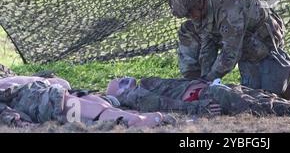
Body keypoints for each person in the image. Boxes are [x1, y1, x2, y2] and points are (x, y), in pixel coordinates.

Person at [168, 0, 290, 97]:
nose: (190, 17)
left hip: (260, 39)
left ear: (201, 1)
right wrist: (202, 79)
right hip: (232, 35)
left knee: (262, 95)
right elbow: (208, 42)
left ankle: (283, 75)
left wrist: (210, 78)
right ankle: (192, 79)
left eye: (190, 13)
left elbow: (231, 52)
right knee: (187, 30)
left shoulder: (230, 6)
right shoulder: (201, 8)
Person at [107, 76, 290, 118]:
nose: (123, 78)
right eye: (119, 82)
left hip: (210, 88)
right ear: (120, 92)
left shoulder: (145, 83)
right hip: (210, 94)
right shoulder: (137, 97)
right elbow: (166, 104)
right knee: (259, 105)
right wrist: (198, 109)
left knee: (260, 97)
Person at [0, 75, 168, 128]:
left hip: (32, 96)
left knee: (78, 100)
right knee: (66, 103)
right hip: (31, 98)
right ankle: (128, 120)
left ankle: (120, 115)